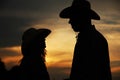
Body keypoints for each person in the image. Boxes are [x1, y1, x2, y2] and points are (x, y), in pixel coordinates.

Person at [59, 0, 112, 80]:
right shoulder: (91, 38)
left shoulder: (90, 40)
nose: (69, 21)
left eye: (73, 16)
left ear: (82, 17)